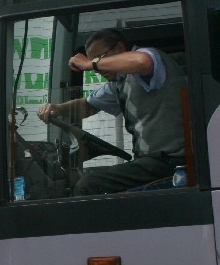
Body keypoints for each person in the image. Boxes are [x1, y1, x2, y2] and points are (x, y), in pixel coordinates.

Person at [37, 28, 188, 195]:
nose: (98, 69)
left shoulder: (147, 57)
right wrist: (57, 109)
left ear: (120, 48)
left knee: (88, 185)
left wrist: (89, 63)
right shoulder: (119, 82)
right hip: (151, 161)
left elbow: (142, 61)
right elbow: (89, 105)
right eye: (94, 63)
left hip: (173, 161)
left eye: (100, 59)